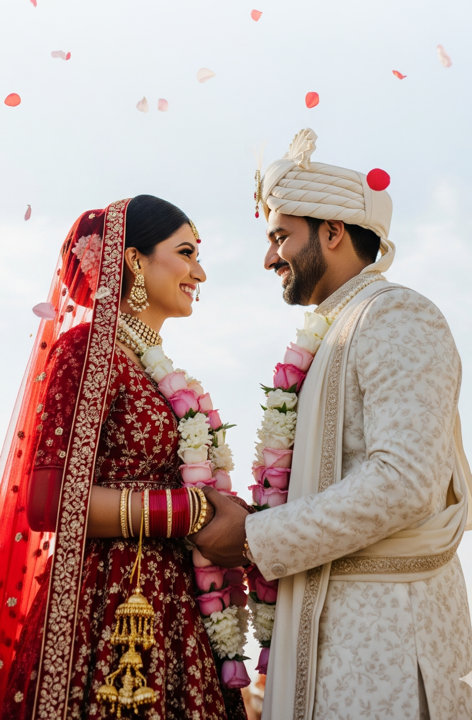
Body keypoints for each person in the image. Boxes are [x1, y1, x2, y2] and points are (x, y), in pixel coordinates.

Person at [192, 128, 472, 720]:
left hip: (390, 648)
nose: (270, 257)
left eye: (280, 236)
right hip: (333, 635)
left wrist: (255, 538)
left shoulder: (396, 314)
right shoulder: (336, 330)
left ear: (334, 231)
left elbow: (405, 481)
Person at [0, 196, 248, 720]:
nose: (199, 272)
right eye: (185, 252)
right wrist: (195, 513)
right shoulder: (87, 350)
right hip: (110, 607)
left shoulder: (160, 373)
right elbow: (48, 503)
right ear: (135, 260)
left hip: (178, 604)